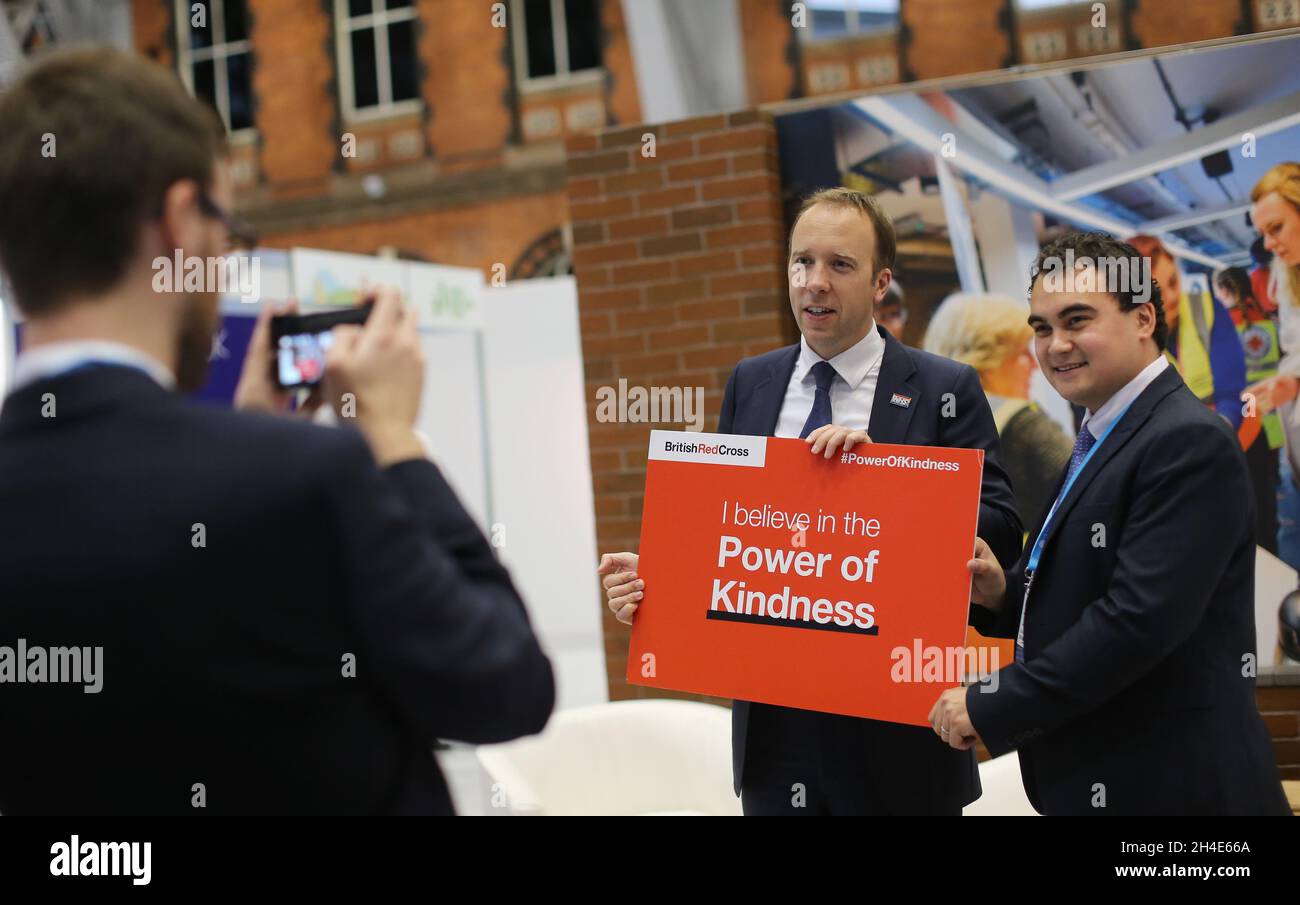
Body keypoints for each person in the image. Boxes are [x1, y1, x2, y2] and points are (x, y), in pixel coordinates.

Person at [0, 48, 553, 815]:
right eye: (227, 229)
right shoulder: (305, 478)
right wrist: (393, 437)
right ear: (180, 219)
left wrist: (248, 438)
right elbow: (505, 684)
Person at [600, 187, 1023, 816]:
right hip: (778, 736)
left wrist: (887, 475)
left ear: (881, 283)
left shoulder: (943, 387)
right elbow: (733, 530)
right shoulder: (753, 381)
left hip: (901, 733)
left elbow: (1002, 528)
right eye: (802, 263)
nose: (815, 283)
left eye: (840, 265)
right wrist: (659, 584)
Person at [928, 231, 1288, 815]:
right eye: (1041, 328)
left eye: (1077, 320)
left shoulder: (1186, 440)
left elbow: (1136, 622)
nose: (1055, 346)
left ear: (1143, 318)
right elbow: (1083, 584)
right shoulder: (1103, 432)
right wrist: (1001, 592)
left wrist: (992, 702)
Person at [923, 293, 1072, 528]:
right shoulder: (1023, 422)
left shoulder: (928, 420)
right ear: (989, 358)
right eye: (1023, 353)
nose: (1034, 365)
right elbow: (1090, 488)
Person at [1126, 233, 1247, 431]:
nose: (1172, 296)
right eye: (1156, 292)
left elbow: (1232, 390)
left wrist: (1220, 430)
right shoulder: (1123, 338)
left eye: (1173, 281)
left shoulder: (1206, 307)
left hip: (1228, 429)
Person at [1246, 162, 1300, 571]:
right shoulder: (1287, 275)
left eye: (1276, 228)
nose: (1268, 243)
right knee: (1291, 540)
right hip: (1294, 449)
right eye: (1263, 232)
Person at [1214, 266, 1281, 553]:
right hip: (1271, 412)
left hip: (1245, 414)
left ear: (1225, 290)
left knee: (1249, 488)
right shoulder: (1267, 320)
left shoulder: (1225, 325)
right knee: (1267, 484)